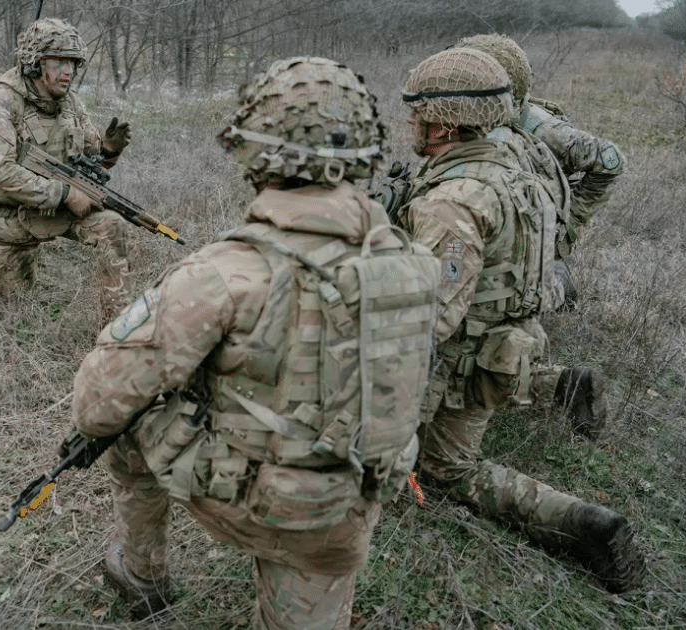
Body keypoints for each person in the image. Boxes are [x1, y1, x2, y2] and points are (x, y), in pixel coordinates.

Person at [71, 57, 438, 628]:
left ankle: (140, 572)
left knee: (126, 428)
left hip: (258, 505)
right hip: (346, 515)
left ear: (255, 152)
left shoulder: (223, 272)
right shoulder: (412, 264)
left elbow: (95, 407)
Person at [395, 47, 644, 593]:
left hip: (467, 365)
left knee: (447, 472)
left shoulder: (454, 201)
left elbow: (427, 322)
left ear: (444, 121)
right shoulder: (517, 169)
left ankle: (581, 524)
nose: (411, 123)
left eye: (417, 114)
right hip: (514, 346)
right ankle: (560, 385)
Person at [0, 18, 133, 319]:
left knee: (112, 226)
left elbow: (96, 160)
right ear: (36, 63)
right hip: (10, 217)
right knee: (12, 311)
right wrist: (66, 194)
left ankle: (117, 326)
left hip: (58, 209)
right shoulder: (0, 105)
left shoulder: (71, 104)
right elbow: (2, 174)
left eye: (73, 63)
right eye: (59, 62)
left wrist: (110, 149)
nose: (68, 71)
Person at [455, 33, 625, 307]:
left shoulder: (543, 128)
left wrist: (567, 226)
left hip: (530, 233)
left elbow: (610, 160)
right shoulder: (467, 117)